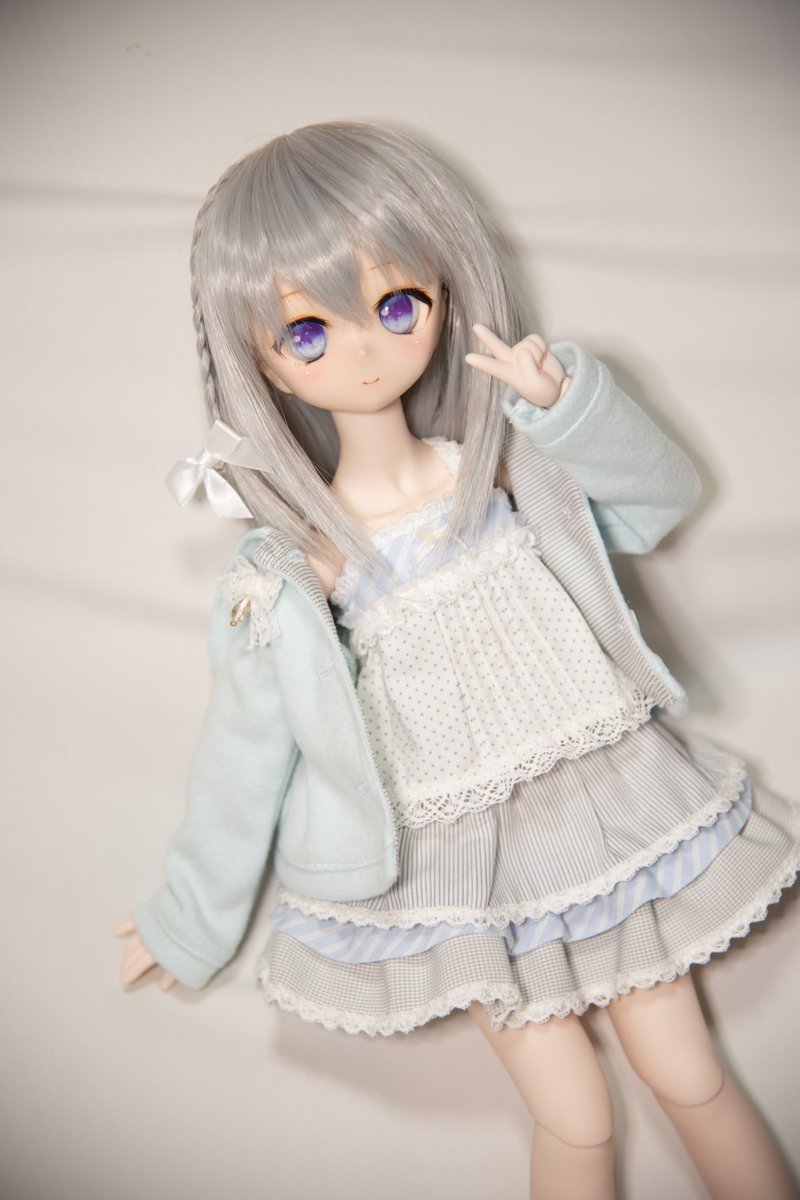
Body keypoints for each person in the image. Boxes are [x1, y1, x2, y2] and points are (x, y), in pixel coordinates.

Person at [116, 121, 799, 1200]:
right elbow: (245, 747)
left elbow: (659, 502)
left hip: (601, 800)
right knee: (571, 1112)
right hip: (451, 861)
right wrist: (189, 918)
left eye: (396, 307)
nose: (365, 351)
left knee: (686, 1071)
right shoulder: (304, 561)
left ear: (445, 288)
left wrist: (563, 409)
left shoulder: (505, 467)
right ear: (256, 359)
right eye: (308, 332)